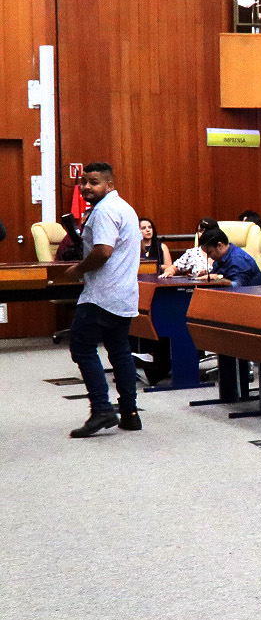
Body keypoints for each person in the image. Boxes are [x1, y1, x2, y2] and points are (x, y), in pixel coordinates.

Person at [64, 162, 144, 438]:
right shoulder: (124, 207)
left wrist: (78, 270)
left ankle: (101, 409)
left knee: (81, 348)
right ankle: (130, 413)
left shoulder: (104, 211)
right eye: (83, 182)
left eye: (93, 182)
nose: (86, 187)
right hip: (124, 293)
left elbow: (103, 251)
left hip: (102, 295)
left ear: (109, 185)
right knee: (119, 350)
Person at [193, 226, 261, 287]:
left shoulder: (238, 260)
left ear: (219, 245)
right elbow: (219, 276)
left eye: (209, 252)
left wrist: (217, 278)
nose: (208, 257)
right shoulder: (220, 259)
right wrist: (208, 275)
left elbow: (238, 287)